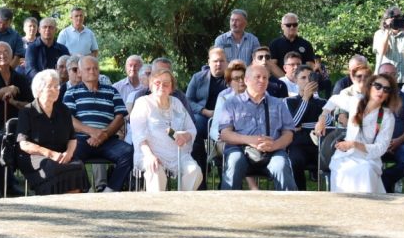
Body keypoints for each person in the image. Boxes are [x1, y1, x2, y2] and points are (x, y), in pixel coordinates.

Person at [218, 62, 299, 191]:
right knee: (234, 162)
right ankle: (227, 207)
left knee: (281, 165)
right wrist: (251, 140)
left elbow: (288, 134)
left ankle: (289, 207)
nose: (262, 80)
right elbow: (225, 134)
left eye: (265, 77)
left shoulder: (279, 104)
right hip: (240, 150)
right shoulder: (231, 103)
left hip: (272, 152)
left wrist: (274, 145)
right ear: (246, 80)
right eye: (258, 77)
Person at [126, 60, 205, 191]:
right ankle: (158, 208)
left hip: (177, 153)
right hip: (149, 152)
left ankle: (182, 203)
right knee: (156, 172)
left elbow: (191, 129)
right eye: (157, 83)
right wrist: (150, 156)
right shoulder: (142, 103)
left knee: (195, 172)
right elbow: (139, 136)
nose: (161, 86)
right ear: (151, 85)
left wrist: (185, 136)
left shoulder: (177, 103)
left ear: (171, 87)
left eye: (166, 84)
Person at [11, 69, 91, 195]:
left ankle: (73, 202)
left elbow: (72, 139)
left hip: (61, 154)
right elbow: (24, 144)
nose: (56, 89)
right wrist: (50, 154)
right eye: (51, 86)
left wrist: (69, 154)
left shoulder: (63, 110)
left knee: (78, 165)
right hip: (35, 156)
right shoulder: (27, 112)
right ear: (39, 90)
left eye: (57, 86)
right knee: (52, 167)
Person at [64, 55, 132, 188]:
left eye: (95, 68)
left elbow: (120, 117)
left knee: (129, 153)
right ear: (79, 72)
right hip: (81, 140)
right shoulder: (71, 92)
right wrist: (93, 132)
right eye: (88, 69)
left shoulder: (112, 91)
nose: (92, 71)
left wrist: (104, 135)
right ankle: (86, 190)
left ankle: (111, 190)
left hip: (108, 140)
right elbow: (69, 119)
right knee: (70, 155)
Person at [327, 75, 402, 194]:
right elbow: (334, 99)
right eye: (378, 86)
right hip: (345, 156)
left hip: (368, 158)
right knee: (341, 170)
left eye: (386, 89)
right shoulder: (356, 101)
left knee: (365, 170)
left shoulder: (387, 116)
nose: (381, 91)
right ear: (370, 87)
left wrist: (354, 144)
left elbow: (381, 148)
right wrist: (322, 118)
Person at [372, 12, 404, 79]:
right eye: (394, 18)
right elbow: (382, 52)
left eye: (399, 17)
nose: (397, 20)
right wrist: (387, 31)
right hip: (385, 79)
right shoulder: (379, 34)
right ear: (385, 20)